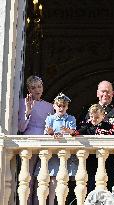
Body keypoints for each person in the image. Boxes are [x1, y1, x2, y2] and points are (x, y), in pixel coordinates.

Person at [18, 75, 54, 204]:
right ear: (29, 89)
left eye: (39, 86)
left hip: (45, 144)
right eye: (33, 88)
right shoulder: (23, 102)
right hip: (30, 143)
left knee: (42, 178)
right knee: (27, 179)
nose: (37, 90)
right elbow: (21, 128)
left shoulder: (50, 106)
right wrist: (28, 112)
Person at [40, 92, 78, 205]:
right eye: (59, 105)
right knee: (53, 179)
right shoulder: (50, 118)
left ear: (67, 107)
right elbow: (47, 132)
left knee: (67, 179)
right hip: (53, 153)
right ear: (54, 106)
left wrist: (67, 131)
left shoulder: (71, 118)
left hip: (67, 152)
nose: (61, 108)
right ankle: (51, 202)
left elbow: (74, 132)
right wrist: (51, 133)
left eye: (64, 106)